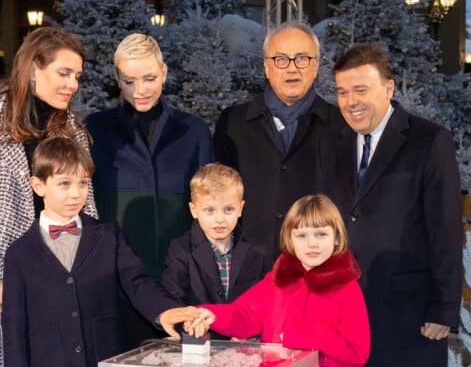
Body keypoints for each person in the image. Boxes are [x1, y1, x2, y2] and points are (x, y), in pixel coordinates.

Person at [316, 43, 463, 366]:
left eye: (360, 90)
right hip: (340, 316)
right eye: (342, 92)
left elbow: (446, 228)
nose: (350, 102)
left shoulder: (429, 140)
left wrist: (444, 307)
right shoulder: (330, 143)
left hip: (409, 318)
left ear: (388, 88)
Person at [1, 137, 198, 367]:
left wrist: (164, 310)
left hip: (105, 357)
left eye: (83, 183)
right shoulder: (18, 254)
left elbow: (139, 282)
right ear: (38, 185)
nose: (76, 194)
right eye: (65, 183)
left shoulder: (109, 236)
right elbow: (13, 332)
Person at [85, 33, 213, 344]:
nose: (140, 90)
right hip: (115, 285)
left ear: (165, 72)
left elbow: (208, 210)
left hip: (179, 284)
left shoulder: (193, 130)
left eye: (149, 78)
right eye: (129, 81)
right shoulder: (95, 129)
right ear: (117, 78)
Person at [0, 27, 98, 366]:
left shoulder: (72, 130)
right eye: (64, 73)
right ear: (32, 68)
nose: (73, 84)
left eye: (77, 76)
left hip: (59, 279)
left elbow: (87, 208)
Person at [213, 21, 343, 264]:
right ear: (266, 67)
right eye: (281, 59)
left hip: (313, 270)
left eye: (302, 58)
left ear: (315, 66)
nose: (291, 68)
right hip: (248, 271)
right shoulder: (234, 123)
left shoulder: (340, 126)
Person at [189, 194, 370, 367]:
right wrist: (212, 316)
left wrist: (305, 335)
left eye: (321, 234)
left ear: (337, 238)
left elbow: (356, 354)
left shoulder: (347, 289)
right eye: (301, 235)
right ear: (289, 239)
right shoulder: (277, 280)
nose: (312, 243)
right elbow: (244, 315)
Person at [162, 162, 267, 339]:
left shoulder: (257, 252)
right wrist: (189, 324)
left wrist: (247, 332)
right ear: (194, 210)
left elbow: (267, 304)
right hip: (198, 347)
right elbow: (174, 301)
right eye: (209, 210)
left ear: (240, 208)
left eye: (228, 209)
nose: (219, 219)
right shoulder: (180, 250)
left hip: (246, 350)